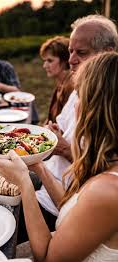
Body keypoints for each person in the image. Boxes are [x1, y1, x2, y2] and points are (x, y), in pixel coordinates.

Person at [0, 51, 118, 262]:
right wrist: (38, 165)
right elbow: (71, 208)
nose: (75, 106)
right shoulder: (106, 162)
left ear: (96, 107)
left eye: (80, 96)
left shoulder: (107, 191)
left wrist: (24, 183)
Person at [35, 14, 118, 219]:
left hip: (64, 201)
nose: (71, 60)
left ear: (107, 53)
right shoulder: (78, 89)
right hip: (48, 175)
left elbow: (105, 172)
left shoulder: (111, 107)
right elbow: (59, 126)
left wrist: (64, 149)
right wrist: (52, 133)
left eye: (81, 52)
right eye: (70, 51)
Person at [40, 36, 73, 124]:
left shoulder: (70, 87)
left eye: (50, 61)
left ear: (65, 61)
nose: (45, 65)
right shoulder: (61, 82)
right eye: (45, 61)